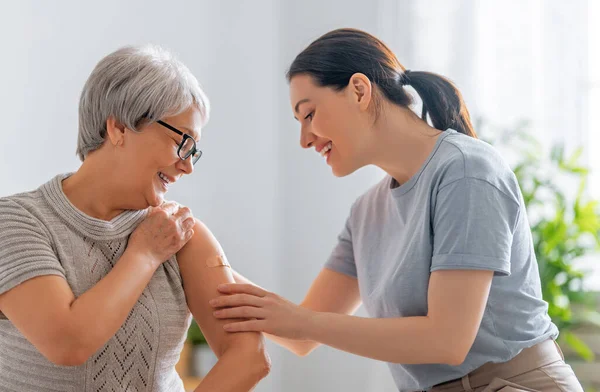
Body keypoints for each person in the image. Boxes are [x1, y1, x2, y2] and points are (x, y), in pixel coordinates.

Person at [210, 28, 583, 391]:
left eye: (308, 115)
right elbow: (300, 334)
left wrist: (303, 322)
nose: (304, 140)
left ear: (359, 90)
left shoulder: (466, 170)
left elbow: (446, 340)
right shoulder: (365, 213)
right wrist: (197, 251)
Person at [0, 45, 270, 391]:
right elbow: (67, 342)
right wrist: (143, 255)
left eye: (194, 152)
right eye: (182, 141)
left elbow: (249, 356)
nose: (187, 166)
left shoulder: (183, 235)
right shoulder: (16, 222)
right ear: (119, 128)